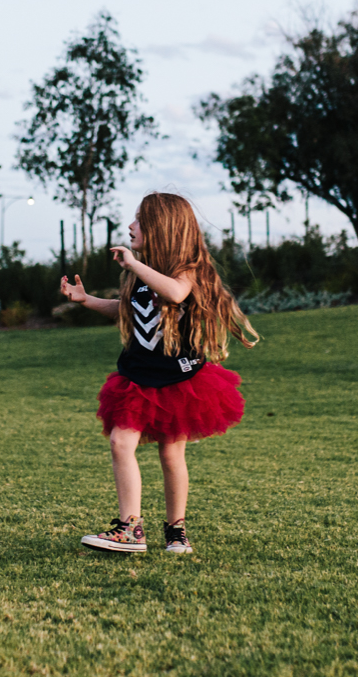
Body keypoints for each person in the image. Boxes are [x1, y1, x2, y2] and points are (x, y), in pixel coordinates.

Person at [59, 192, 258, 555]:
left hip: (179, 380)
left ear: (161, 228)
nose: (131, 226)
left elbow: (177, 293)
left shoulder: (186, 270)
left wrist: (135, 265)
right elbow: (128, 310)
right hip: (138, 377)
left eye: (138, 220)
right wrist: (86, 300)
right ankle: (130, 529)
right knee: (121, 442)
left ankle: (176, 530)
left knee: (171, 454)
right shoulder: (139, 274)